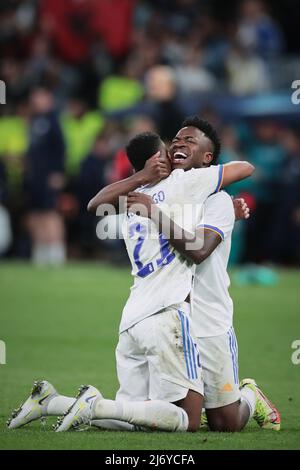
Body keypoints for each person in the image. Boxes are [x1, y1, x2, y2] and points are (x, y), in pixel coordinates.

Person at [8, 123, 254, 433]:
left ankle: (54, 403)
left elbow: (201, 248)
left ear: (207, 158)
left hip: (202, 318)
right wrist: (149, 195)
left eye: (188, 141)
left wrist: (151, 198)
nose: (178, 143)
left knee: (220, 422)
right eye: (174, 139)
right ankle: (91, 404)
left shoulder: (210, 198)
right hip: (172, 313)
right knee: (182, 419)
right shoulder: (164, 190)